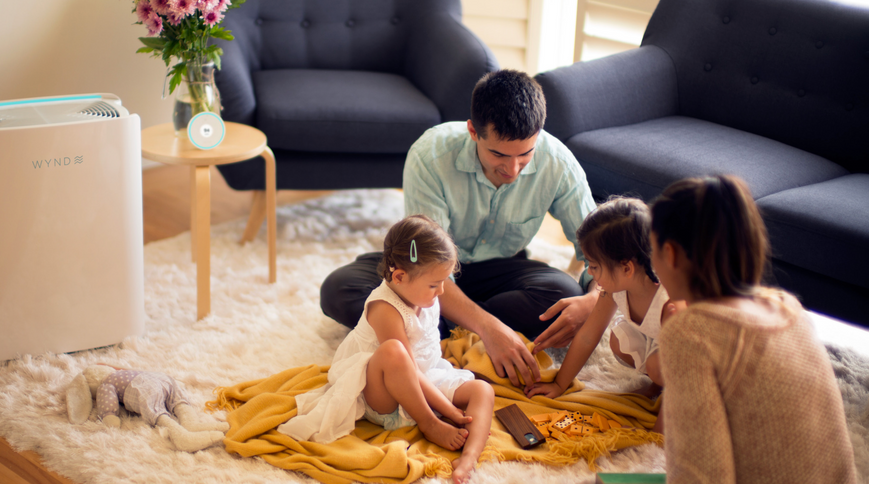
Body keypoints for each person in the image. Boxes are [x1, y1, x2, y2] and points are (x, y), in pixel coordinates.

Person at [321, 69, 599, 389]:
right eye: (498, 154)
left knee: (566, 293)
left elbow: (598, 249)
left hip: (500, 270)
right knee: (339, 289)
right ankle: (464, 328)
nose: (512, 169)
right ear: (473, 131)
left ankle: (434, 329)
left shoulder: (559, 164)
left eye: (526, 154)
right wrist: (490, 328)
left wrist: (592, 300)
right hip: (427, 271)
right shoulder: (430, 155)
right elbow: (423, 263)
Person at [650, 175, 857, 483]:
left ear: (671, 253)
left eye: (652, 251)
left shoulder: (690, 332)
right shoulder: (789, 308)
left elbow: (702, 474)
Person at [279, 215, 495, 484]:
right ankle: (429, 423)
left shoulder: (426, 294)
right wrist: (449, 412)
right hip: (383, 393)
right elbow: (408, 367)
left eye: (444, 281)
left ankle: (468, 458)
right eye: (434, 284)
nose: (441, 291)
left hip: (425, 378)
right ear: (400, 276)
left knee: (483, 389)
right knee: (393, 350)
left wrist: (447, 395)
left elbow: (423, 365)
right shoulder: (385, 308)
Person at [526, 197, 681, 431]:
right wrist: (559, 384)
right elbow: (589, 334)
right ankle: (657, 383)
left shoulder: (671, 304)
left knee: (658, 365)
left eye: (594, 266)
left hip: (698, 358)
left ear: (626, 268)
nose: (589, 272)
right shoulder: (614, 286)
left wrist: (660, 432)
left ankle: (660, 384)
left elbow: (683, 369)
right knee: (619, 342)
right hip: (662, 343)